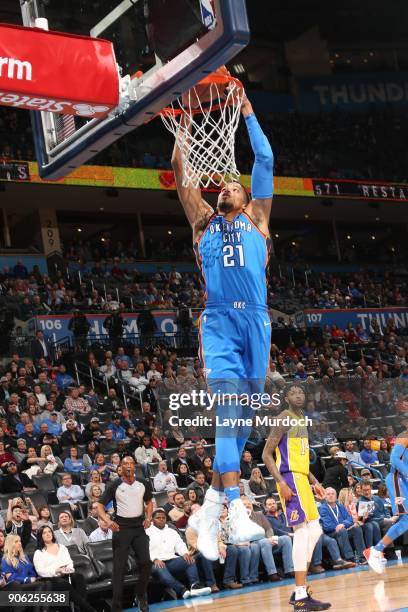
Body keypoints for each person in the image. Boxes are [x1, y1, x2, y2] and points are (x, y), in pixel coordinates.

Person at [178, 70, 274, 558]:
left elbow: (265, 159)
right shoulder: (202, 224)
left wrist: (248, 107)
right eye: (224, 186)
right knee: (228, 408)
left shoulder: (258, 219)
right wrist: (183, 129)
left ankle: (212, 502)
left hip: (257, 320)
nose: (227, 188)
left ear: (246, 197)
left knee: (241, 423)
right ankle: (235, 507)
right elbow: (181, 178)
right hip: (218, 321)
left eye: (234, 186)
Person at [262, 384, 331, 610]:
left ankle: (300, 591)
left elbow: (300, 458)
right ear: (286, 398)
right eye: (293, 392)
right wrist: (281, 483)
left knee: (315, 530)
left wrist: (314, 480)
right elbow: (266, 454)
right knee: (301, 532)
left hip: (302, 478)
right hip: (289, 479)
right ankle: (301, 595)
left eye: (301, 392)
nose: (298, 395)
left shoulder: (302, 420)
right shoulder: (284, 417)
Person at [96, 456, 153, 612]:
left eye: (131, 463)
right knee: (119, 569)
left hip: (139, 527)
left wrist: (148, 517)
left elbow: (149, 502)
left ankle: (140, 594)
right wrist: (107, 521)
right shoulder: (115, 485)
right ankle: (116, 607)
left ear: (134, 466)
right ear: (120, 467)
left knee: (147, 563)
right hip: (122, 528)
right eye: (125, 464)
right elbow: (99, 505)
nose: (128, 466)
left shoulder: (143, 483)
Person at [364, 426, 408, 574]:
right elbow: (394, 459)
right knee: (405, 520)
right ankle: (375, 551)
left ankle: (377, 550)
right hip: (397, 478)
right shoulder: (404, 436)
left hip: (404, 481)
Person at [146, 508, 211, 599]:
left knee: (190, 560)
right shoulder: (147, 533)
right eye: (158, 518)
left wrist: (185, 553)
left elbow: (180, 544)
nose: (161, 519)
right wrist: (155, 559)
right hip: (155, 563)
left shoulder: (172, 532)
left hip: (172, 560)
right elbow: (145, 550)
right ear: (152, 520)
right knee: (160, 567)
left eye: (163, 518)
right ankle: (182, 590)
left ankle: (195, 586)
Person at [33, 525, 97, 612]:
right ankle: (90, 610)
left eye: (49, 532)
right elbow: (40, 571)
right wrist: (56, 570)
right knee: (63, 584)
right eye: (44, 533)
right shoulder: (38, 553)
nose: (48, 534)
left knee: (79, 577)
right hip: (51, 579)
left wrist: (67, 569)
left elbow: (69, 562)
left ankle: (82, 609)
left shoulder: (62, 547)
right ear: (41, 536)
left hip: (66, 574)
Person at [319, 488, 367, 565]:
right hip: (331, 533)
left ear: (336, 496)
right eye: (328, 494)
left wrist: (343, 524)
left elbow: (350, 519)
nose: (331, 496)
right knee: (342, 530)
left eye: (333, 494)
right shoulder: (323, 508)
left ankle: (362, 556)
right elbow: (327, 526)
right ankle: (349, 558)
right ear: (325, 496)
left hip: (343, 529)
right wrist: (339, 526)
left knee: (356, 528)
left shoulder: (340, 506)